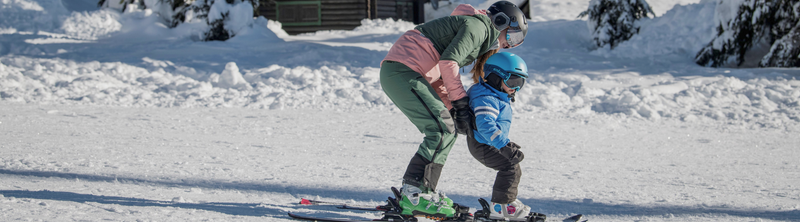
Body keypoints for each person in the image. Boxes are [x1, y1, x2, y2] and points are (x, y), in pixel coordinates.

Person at [378, 0, 528, 219]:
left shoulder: (478, 32)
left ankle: (422, 192)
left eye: (517, 43)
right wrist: (460, 103)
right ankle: (415, 194)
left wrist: (455, 109)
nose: (509, 45)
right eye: (512, 37)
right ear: (500, 21)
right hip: (403, 71)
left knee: (446, 128)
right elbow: (449, 63)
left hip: (409, 72)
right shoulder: (478, 27)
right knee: (441, 129)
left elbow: (438, 74)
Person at [466, 51, 530, 220]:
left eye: (520, 83)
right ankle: (501, 206)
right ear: (495, 77)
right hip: (483, 145)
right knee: (510, 167)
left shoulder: (494, 95)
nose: (515, 88)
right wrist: (504, 145)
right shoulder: (486, 98)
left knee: (511, 167)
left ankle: (505, 202)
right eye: (513, 81)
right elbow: (485, 126)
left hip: (487, 143)